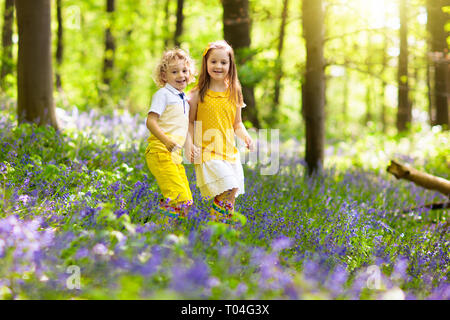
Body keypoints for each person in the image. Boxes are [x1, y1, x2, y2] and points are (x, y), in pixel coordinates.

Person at [187, 40, 255, 224]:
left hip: (229, 153)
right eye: (214, 61)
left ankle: (219, 232)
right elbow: (190, 122)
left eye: (223, 62)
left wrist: (246, 137)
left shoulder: (234, 91)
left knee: (230, 197)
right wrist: (191, 145)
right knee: (230, 187)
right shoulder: (198, 93)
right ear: (206, 63)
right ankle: (212, 227)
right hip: (207, 152)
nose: (218, 66)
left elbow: (237, 124)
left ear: (230, 65)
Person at [144, 48, 198, 222]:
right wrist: (166, 141)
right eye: (174, 72)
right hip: (160, 152)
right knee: (178, 197)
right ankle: (163, 232)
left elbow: (183, 127)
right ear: (164, 76)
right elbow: (150, 121)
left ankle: (174, 232)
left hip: (175, 156)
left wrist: (190, 146)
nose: (180, 75)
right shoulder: (163, 95)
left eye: (184, 71)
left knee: (187, 200)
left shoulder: (184, 100)